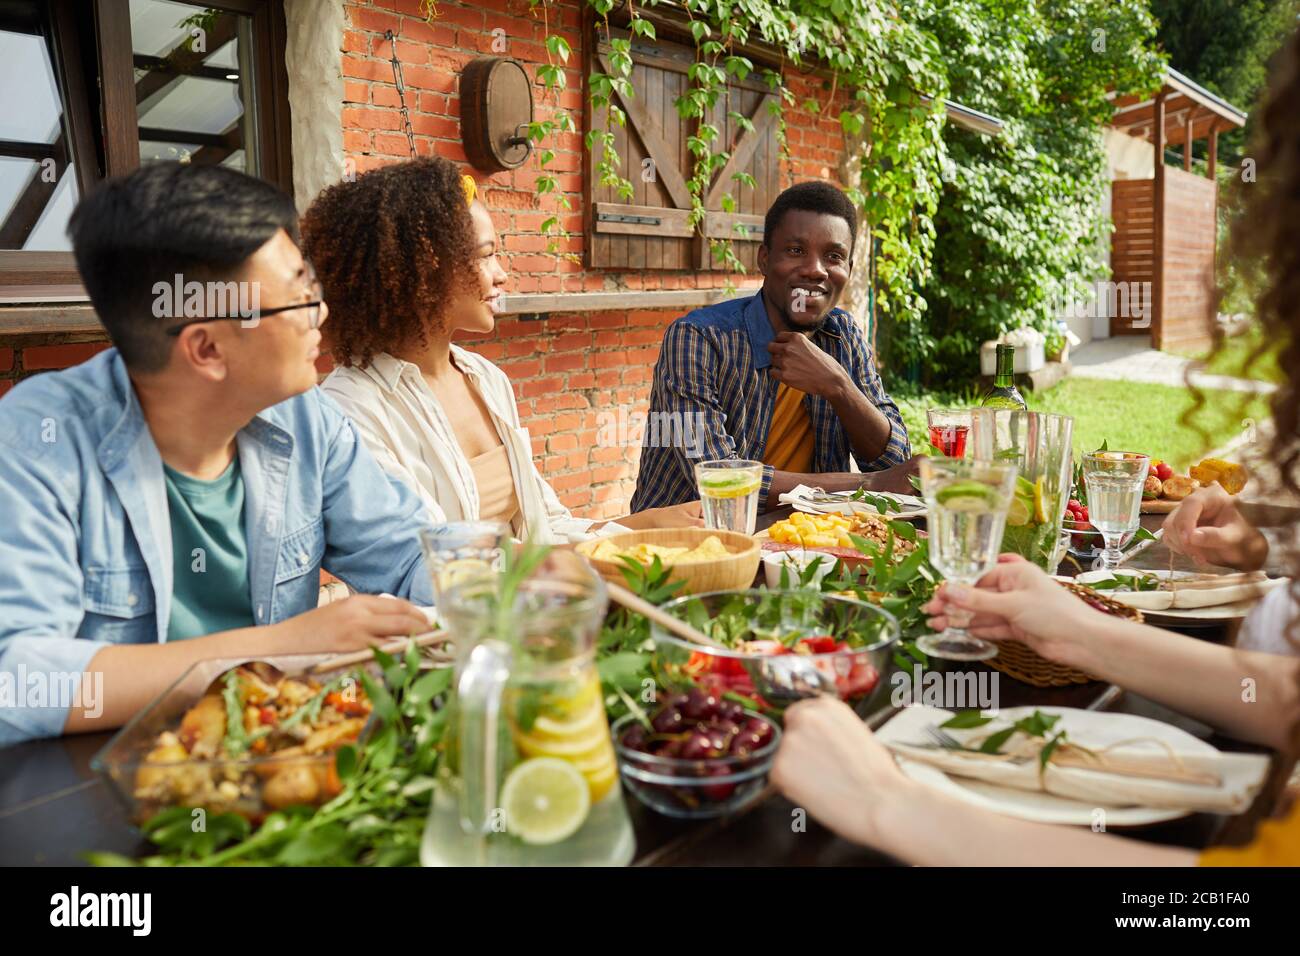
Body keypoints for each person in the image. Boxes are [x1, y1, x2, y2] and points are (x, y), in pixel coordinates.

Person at [770, 25, 1300, 865]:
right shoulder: (711, 337)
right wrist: (1074, 630)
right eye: (794, 251)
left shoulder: (847, 340)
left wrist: (888, 805)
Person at [0, 163, 436, 747]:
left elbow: (412, 556)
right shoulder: (37, 442)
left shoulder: (306, 420)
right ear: (205, 348)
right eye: (298, 299)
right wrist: (282, 648)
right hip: (104, 793)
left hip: (270, 763)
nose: (322, 314)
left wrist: (527, 579)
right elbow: (19, 679)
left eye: (313, 286)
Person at [302, 158, 700, 544]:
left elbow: (543, 529)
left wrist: (640, 526)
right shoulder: (351, 409)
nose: (502, 273)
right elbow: (425, 567)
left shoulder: (486, 378)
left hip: (531, 604)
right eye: (486, 254)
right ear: (426, 268)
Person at [630, 180, 919, 514]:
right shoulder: (698, 339)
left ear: (848, 271)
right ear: (764, 260)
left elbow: (895, 461)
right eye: (796, 251)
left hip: (802, 543)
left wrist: (838, 386)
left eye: (834, 256)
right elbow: (719, 480)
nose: (815, 269)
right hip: (688, 547)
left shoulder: (844, 337)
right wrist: (868, 485)